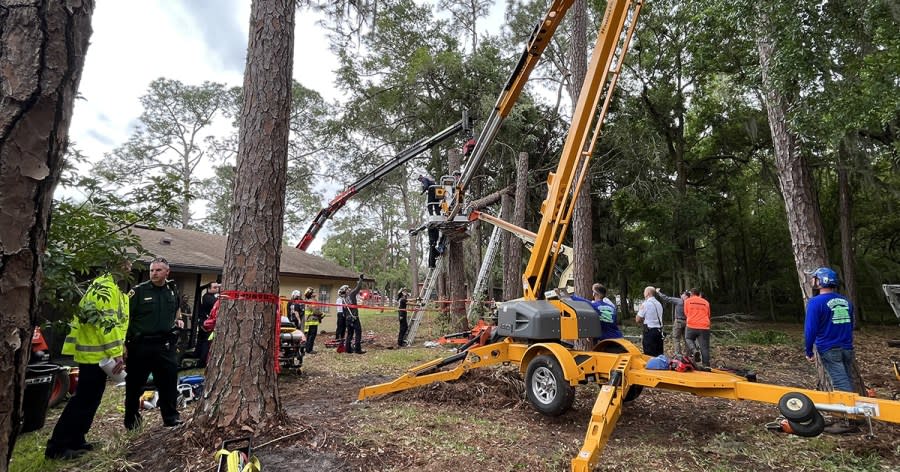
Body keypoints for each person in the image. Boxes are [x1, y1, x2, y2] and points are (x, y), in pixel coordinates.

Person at [45, 262, 130, 460]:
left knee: (91, 399)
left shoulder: (109, 287)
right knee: (83, 400)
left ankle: (76, 439)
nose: (129, 266)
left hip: (98, 353)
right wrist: (116, 352)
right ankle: (58, 446)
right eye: (126, 262)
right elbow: (106, 325)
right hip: (96, 354)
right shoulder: (105, 288)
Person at [124, 257, 184, 430]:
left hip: (164, 345)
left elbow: (177, 307)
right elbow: (125, 318)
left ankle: (171, 418)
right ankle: (132, 421)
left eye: (158, 270)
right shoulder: (138, 292)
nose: (154, 273)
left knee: (169, 382)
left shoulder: (171, 290)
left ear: (167, 272)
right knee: (135, 385)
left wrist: (178, 319)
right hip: (140, 345)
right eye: (152, 270)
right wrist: (124, 344)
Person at [804, 267, 858, 434]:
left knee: (841, 384)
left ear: (821, 281)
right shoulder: (846, 301)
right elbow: (851, 324)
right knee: (847, 380)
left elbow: (810, 329)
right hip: (847, 348)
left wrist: (808, 350)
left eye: (815, 279)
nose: (812, 282)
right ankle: (854, 415)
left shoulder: (815, 303)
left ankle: (846, 421)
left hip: (829, 349)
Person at [656, 288, 688, 356]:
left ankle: (678, 354)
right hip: (687, 322)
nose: (681, 295)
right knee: (686, 339)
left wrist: (658, 292)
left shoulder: (679, 301)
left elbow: (666, 298)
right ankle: (689, 354)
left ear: (684, 295)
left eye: (682, 294)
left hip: (679, 321)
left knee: (676, 338)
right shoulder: (690, 302)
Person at [684, 288, 711, 367]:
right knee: (704, 347)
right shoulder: (706, 302)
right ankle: (706, 366)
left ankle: (694, 350)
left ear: (691, 294)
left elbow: (686, 313)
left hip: (691, 325)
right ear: (699, 294)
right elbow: (708, 314)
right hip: (704, 326)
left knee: (688, 338)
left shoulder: (687, 301)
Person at [195, 282, 219, 368]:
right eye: (214, 287)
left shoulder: (212, 297)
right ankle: (202, 362)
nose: (217, 289)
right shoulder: (207, 297)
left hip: (206, 323)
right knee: (206, 342)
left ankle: (199, 357)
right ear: (209, 288)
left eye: (217, 287)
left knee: (202, 342)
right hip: (206, 324)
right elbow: (216, 303)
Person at [635, 286, 664, 356]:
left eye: (644, 292)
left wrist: (643, 319)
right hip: (659, 332)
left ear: (648, 293)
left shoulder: (646, 304)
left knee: (649, 355)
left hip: (650, 332)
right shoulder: (659, 304)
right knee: (659, 354)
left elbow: (637, 319)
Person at [344, 275, 366, 354]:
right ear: (346, 291)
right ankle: (357, 349)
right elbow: (358, 288)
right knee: (358, 332)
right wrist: (360, 280)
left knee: (349, 334)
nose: (350, 289)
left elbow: (344, 311)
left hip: (348, 318)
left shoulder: (344, 299)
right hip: (354, 317)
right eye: (348, 288)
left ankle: (348, 349)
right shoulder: (351, 294)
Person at [303, 287, 322, 353]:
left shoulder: (309, 301)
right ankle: (309, 349)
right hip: (312, 321)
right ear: (311, 294)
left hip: (309, 320)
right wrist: (321, 314)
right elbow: (315, 311)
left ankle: (307, 348)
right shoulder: (313, 301)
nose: (315, 292)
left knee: (309, 335)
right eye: (313, 292)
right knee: (312, 335)